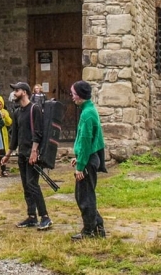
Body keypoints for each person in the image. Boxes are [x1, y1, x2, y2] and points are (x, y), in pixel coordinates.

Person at [1, 82, 52, 231]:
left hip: (32, 154)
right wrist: (8, 154)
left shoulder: (34, 109)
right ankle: (31, 216)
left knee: (33, 185)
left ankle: (45, 217)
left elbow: (38, 132)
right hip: (22, 154)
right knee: (26, 186)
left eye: (16, 90)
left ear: (24, 92)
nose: (14, 93)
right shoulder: (17, 112)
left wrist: (34, 151)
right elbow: (15, 135)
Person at [69, 80, 108, 240]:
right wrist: (77, 157)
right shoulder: (89, 109)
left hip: (89, 160)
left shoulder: (87, 114)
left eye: (73, 94)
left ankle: (89, 231)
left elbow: (86, 141)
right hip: (89, 158)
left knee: (84, 197)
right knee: (86, 194)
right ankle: (98, 227)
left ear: (79, 96)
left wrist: (80, 165)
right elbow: (87, 141)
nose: (72, 97)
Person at [0, 96, 12, 176]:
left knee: (2, 152)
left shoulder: (5, 112)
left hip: (2, 134)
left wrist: (4, 117)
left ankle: (3, 170)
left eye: (0, 104)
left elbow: (9, 122)